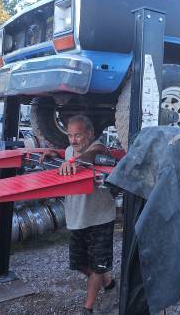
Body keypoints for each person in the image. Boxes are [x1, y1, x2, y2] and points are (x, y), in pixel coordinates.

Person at [40, 114, 117, 314]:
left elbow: (92, 155)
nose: (74, 140)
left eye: (78, 136)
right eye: (70, 135)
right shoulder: (68, 151)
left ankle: (87, 308)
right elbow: (67, 154)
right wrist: (52, 155)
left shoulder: (98, 149)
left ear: (90, 134)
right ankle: (108, 282)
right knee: (78, 263)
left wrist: (77, 161)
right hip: (77, 217)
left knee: (98, 265)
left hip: (100, 218)